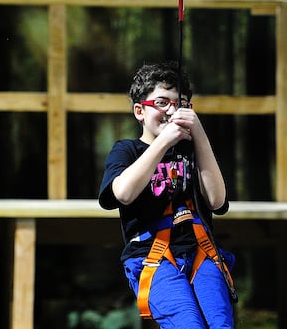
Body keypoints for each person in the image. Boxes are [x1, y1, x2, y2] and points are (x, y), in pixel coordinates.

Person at [99, 61, 236, 328]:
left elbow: (217, 201)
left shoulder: (196, 150)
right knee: (188, 323)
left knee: (220, 324)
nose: (172, 110)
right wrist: (164, 142)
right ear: (140, 111)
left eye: (181, 104)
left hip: (201, 251)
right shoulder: (127, 150)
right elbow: (123, 194)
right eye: (162, 103)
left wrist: (199, 135)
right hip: (152, 255)